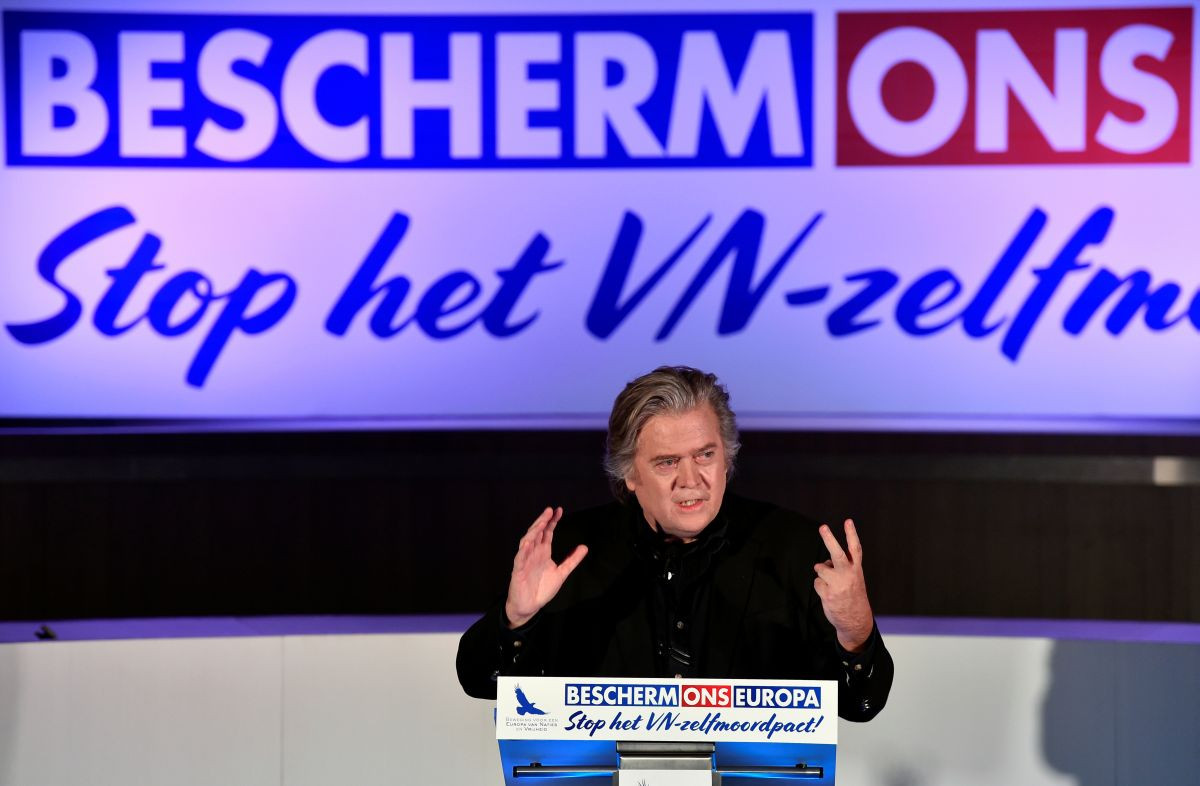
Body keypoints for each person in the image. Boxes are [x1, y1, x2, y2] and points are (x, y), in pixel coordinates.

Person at [456, 366, 893, 721]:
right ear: (629, 475)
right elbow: (479, 682)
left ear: (727, 458)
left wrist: (855, 634)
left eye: (705, 455)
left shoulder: (795, 550)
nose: (691, 480)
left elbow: (862, 705)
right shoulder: (570, 554)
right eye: (667, 462)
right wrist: (516, 620)